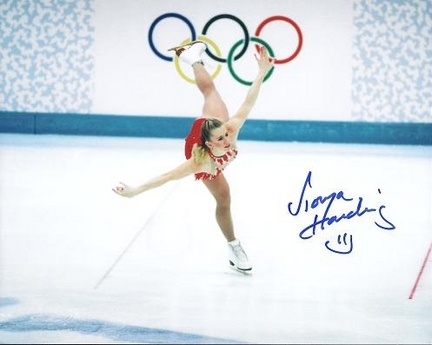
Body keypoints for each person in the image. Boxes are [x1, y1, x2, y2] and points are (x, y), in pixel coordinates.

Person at [112, 40, 274, 272]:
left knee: (211, 91)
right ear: (209, 143)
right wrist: (135, 191)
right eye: (221, 140)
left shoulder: (228, 128)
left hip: (209, 125)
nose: (228, 142)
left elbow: (249, 101)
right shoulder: (200, 162)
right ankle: (234, 246)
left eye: (227, 135)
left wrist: (261, 73)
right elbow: (167, 177)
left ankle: (192, 57)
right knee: (224, 198)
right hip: (200, 148)